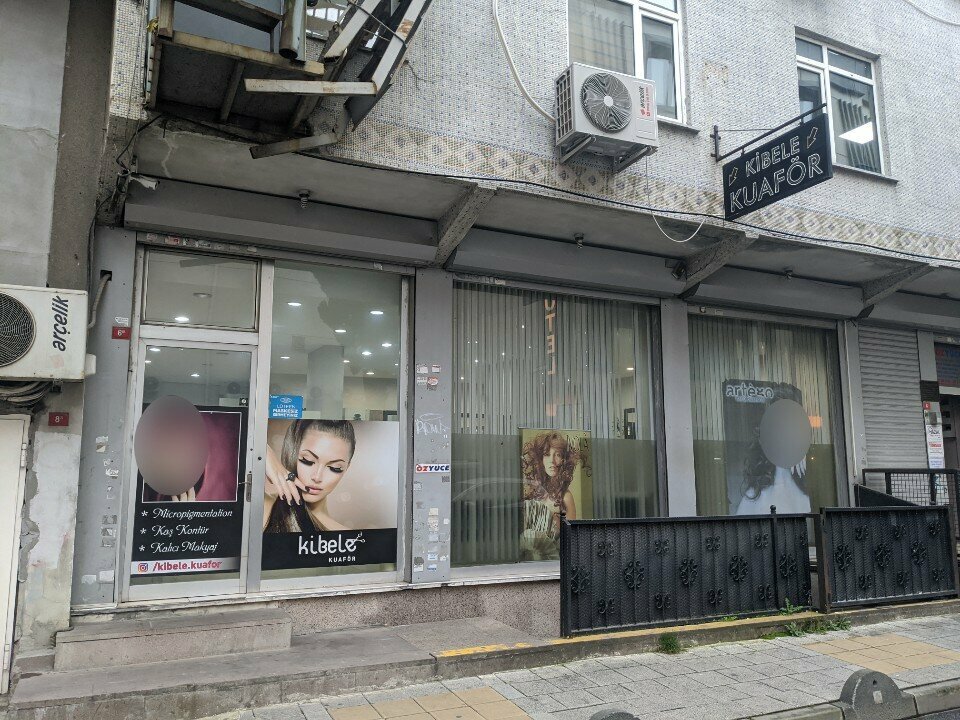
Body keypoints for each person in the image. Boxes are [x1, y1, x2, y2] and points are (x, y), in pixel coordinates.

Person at [263, 419, 355, 532]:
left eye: (335, 468)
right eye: (307, 461)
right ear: (291, 452)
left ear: (346, 468)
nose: (317, 477)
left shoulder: (349, 536)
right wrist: (264, 452)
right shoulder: (266, 507)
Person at [520, 431, 579, 561]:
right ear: (540, 459)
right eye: (547, 455)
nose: (552, 461)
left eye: (557, 455)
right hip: (528, 558)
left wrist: (554, 520)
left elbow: (570, 538)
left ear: (564, 460)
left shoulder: (565, 497)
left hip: (553, 559)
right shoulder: (534, 492)